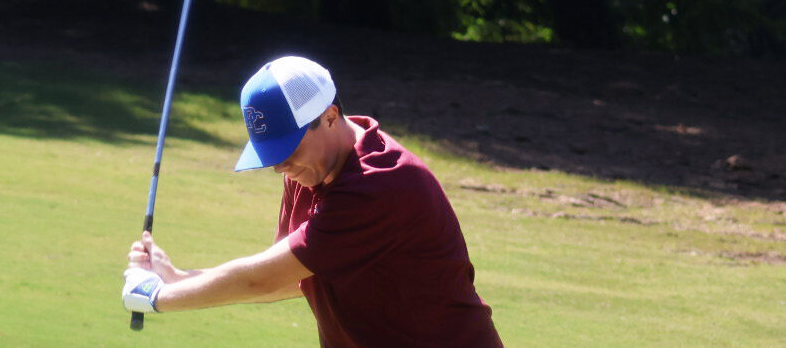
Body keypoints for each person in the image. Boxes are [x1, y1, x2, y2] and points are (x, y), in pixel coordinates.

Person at [122, 56, 503, 347]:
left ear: (331, 116)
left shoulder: (379, 185)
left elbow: (261, 279)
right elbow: (294, 276)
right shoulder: (309, 169)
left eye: (287, 148)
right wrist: (179, 277)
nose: (279, 167)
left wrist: (157, 297)